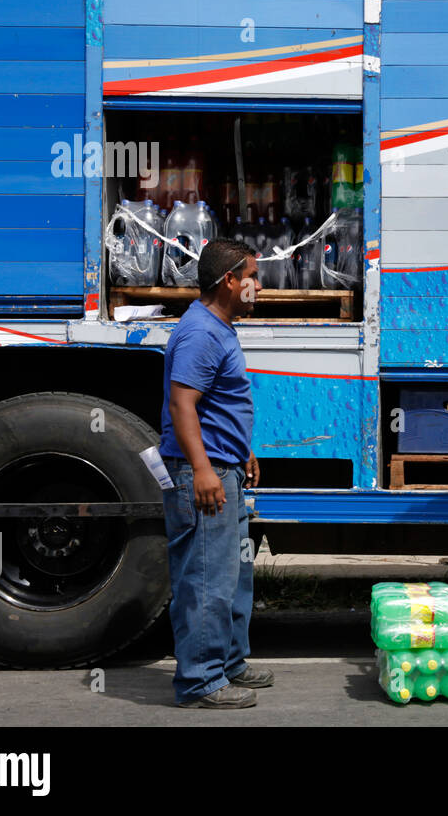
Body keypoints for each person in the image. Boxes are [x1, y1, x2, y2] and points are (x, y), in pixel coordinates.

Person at [159, 238, 272, 708]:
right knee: (206, 577)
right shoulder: (202, 333)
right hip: (202, 474)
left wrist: (241, 450)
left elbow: (217, 404)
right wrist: (203, 469)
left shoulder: (220, 326)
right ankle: (201, 680)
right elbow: (182, 404)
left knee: (231, 575)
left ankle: (228, 662)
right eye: (253, 277)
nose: (259, 287)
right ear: (230, 280)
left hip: (225, 466)